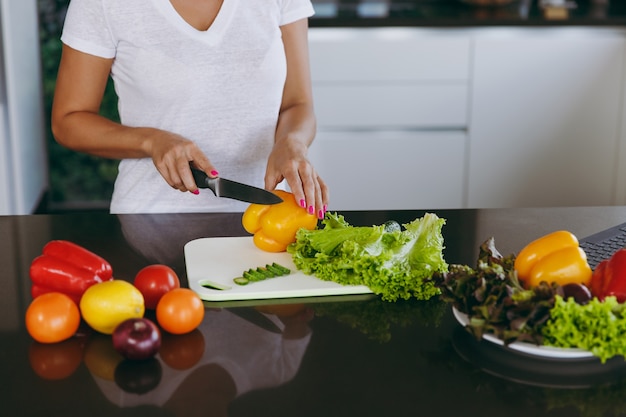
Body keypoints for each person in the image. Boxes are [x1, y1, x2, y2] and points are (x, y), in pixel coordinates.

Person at [51, 0, 328, 217]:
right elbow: (69, 120)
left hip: (270, 220)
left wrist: (291, 142)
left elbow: (298, 104)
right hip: (154, 224)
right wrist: (152, 141)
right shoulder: (101, 4)